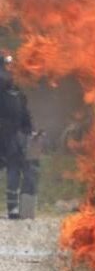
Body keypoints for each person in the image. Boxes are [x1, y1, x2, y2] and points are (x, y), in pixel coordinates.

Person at [0, 54, 39, 220]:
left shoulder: (18, 95)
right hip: (5, 136)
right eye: (6, 66)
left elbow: (25, 115)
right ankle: (13, 209)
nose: (9, 72)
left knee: (15, 170)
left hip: (14, 138)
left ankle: (14, 209)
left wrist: (30, 132)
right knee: (12, 169)